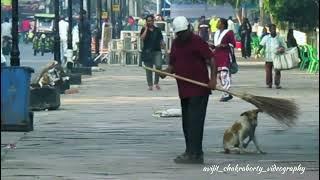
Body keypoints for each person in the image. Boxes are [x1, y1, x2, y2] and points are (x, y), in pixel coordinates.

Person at [160, 16, 217, 164]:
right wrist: (165, 72)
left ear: (189, 29)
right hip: (184, 90)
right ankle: (191, 152)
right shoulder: (176, 43)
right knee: (187, 123)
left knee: (195, 122)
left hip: (199, 89)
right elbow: (173, 65)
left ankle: (195, 153)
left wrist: (213, 79)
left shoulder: (197, 41)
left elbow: (211, 59)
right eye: (179, 33)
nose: (181, 36)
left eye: (183, 32)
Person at [211, 18, 236, 102]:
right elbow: (215, 44)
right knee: (219, 75)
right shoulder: (216, 33)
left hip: (225, 55)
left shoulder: (229, 32)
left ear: (223, 24)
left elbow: (233, 44)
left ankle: (227, 93)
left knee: (224, 73)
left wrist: (223, 45)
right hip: (217, 55)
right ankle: (225, 92)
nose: (217, 23)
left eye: (218, 22)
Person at [140, 15, 165, 90]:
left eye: (150, 21)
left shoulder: (157, 30)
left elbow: (161, 39)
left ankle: (156, 82)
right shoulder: (143, 29)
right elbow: (142, 38)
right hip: (147, 52)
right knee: (149, 69)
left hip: (157, 51)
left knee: (158, 66)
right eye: (148, 21)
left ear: (153, 21)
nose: (149, 22)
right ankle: (150, 85)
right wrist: (146, 29)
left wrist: (163, 45)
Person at [259, 24, 286, 89]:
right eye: (272, 29)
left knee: (277, 71)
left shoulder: (279, 38)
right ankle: (269, 84)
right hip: (268, 57)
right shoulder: (266, 37)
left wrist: (282, 48)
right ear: (270, 30)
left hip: (277, 57)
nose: (273, 30)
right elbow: (261, 45)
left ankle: (277, 84)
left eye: (274, 29)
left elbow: (284, 46)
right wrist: (257, 51)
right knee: (268, 71)